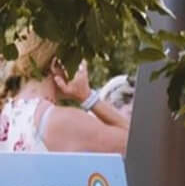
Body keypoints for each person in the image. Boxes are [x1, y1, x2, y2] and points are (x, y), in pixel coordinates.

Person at [0, 32, 129, 155]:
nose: (83, 66)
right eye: (78, 59)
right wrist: (88, 97)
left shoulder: (6, 112)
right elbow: (133, 144)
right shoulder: (61, 121)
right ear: (56, 64)